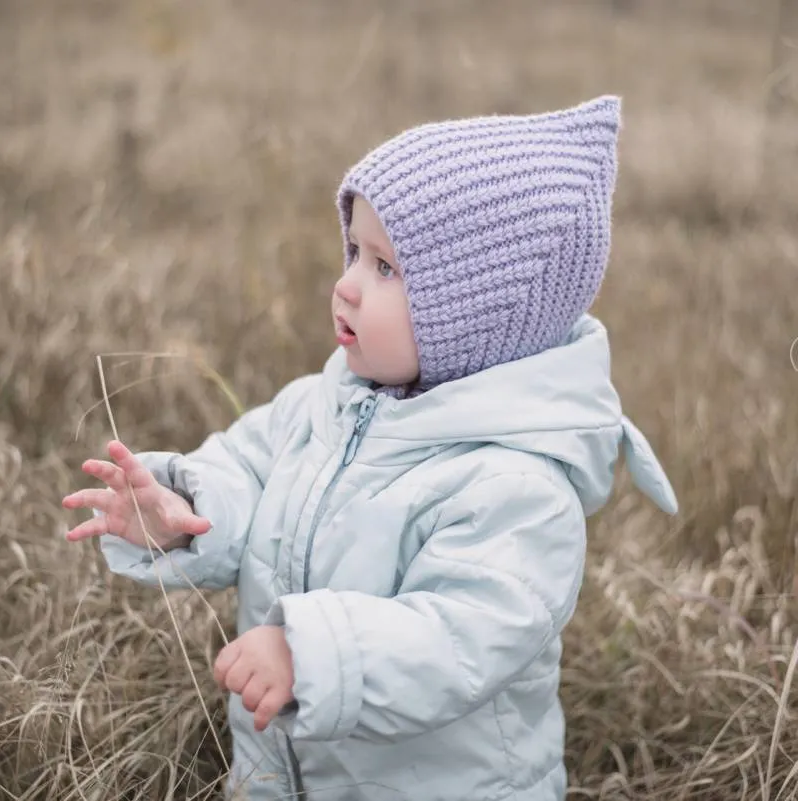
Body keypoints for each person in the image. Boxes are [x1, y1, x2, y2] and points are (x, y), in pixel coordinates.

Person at [62, 95, 678, 801]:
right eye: (354, 249)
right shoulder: (325, 402)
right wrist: (181, 511)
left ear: (471, 319)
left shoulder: (517, 488)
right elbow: (248, 468)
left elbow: (457, 640)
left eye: (385, 267)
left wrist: (310, 653)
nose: (345, 283)